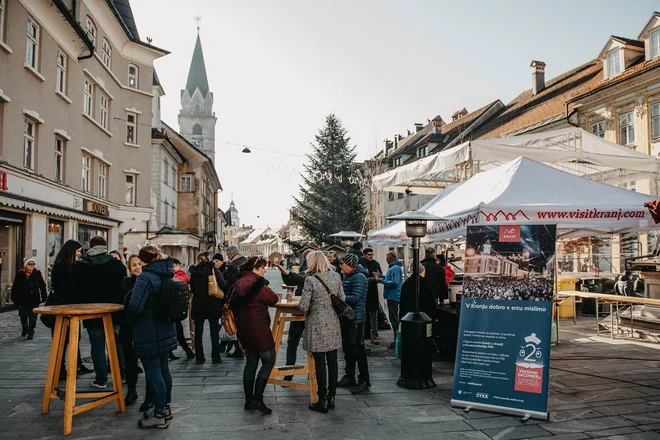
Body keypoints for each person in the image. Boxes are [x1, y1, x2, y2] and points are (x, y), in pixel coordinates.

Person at [126, 246, 177, 429]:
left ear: (144, 260)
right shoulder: (166, 273)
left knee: (154, 373)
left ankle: (159, 414)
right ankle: (165, 408)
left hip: (148, 329)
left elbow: (135, 306)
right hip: (165, 328)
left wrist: (128, 322)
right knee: (164, 371)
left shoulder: (146, 278)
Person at [70, 236, 126, 389]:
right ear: (105, 246)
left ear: (90, 246)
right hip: (114, 311)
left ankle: (101, 379)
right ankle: (122, 374)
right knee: (118, 344)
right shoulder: (117, 264)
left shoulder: (81, 266)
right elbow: (124, 286)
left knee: (97, 346)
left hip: (92, 313)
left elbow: (75, 290)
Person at [298, 251, 345, 412]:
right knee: (333, 361)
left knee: (320, 362)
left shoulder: (310, 280)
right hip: (332, 322)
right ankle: (332, 397)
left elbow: (303, 306)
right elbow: (342, 298)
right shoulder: (336, 276)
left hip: (316, 323)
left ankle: (322, 399)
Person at [232, 257, 278, 415]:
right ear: (256, 269)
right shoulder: (257, 283)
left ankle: (248, 399)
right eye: (263, 267)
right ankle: (257, 398)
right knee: (269, 359)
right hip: (257, 326)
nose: (264, 270)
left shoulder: (239, 281)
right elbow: (272, 299)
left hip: (243, 326)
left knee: (251, 361)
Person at [49, 240, 92, 376]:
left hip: (70, 308)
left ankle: (77, 365)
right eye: (78, 251)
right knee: (62, 339)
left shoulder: (67, 266)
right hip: (62, 308)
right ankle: (61, 369)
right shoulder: (62, 267)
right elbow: (65, 288)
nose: (79, 254)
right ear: (71, 252)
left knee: (73, 338)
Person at [337, 253, 371, 394]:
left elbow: (356, 297)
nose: (340, 266)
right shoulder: (349, 276)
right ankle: (349, 376)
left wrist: (340, 297)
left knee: (358, 350)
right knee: (348, 350)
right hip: (348, 318)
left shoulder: (359, 277)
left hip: (355, 319)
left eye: (343, 263)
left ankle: (364, 380)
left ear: (350, 264)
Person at [276, 248, 312, 377]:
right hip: (298, 308)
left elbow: (302, 280)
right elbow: (291, 281)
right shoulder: (304, 271)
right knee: (292, 341)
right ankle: (289, 372)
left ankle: (312, 375)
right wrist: (285, 273)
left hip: (311, 312)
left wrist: (288, 273)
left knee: (312, 344)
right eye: (306, 258)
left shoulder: (317, 274)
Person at [119, 254, 148, 408]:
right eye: (134, 265)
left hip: (145, 328)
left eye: (140, 264)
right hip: (128, 327)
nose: (137, 267)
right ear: (129, 268)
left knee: (149, 364)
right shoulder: (126, 282)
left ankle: (149, 397)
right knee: (130, 363)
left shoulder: (150, 281)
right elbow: (122, 301)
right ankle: (131, 391)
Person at [190, 252, 227, 364]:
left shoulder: (194, 271)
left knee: (198, 332)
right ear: (208, 258)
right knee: (214, 331)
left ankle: (199, 357)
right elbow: (223, 284)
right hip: (213, 303)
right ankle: (216, 357)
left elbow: (192, 288)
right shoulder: (213, 269)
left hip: (198, 303)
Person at [11, 257, 47, 340]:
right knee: (23, 316)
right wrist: (15, 299)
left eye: (33, 264)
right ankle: (25, 328)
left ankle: (30, 331)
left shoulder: (37, 274)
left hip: (34, 299)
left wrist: (44, 297)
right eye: (29, 264)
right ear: (25, 265)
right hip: (22, 300)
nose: (31, 266)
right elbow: (15, 287)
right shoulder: (20, 274)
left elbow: (42, 286)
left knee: (33, 317)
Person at [167, 258, 195, 361]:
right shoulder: (171, 276)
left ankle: (186, 351)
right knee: (176, 331)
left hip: (172, 308)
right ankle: (186, 351)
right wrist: (178, 271)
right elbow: (184, 280)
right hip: (170, 308)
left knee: (177, 331)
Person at [377, 252, 402, 349]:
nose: (386, 259)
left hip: (393, 296)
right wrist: (382, 276)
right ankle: (397, 339)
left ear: (391, 258)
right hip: (393, 296)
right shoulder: (394, 268)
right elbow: (391, 279)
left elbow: (394, 282)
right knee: (394, 318)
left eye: (387, 257)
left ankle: (396, 340)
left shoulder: (394, 268)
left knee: (393, 319)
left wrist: (382, 281)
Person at [362, 248, 383, 345]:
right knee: (363, 315)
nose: (371, 256)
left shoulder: (375, 263)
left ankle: (374, 335)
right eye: (369, 254)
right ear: (364, 255)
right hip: (363, 291)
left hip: (373, 292)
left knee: (373, 315)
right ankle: (363, 334)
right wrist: (374, 279)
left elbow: (380, 276)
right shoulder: (361, 264)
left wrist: (378, 277)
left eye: (372, 254)